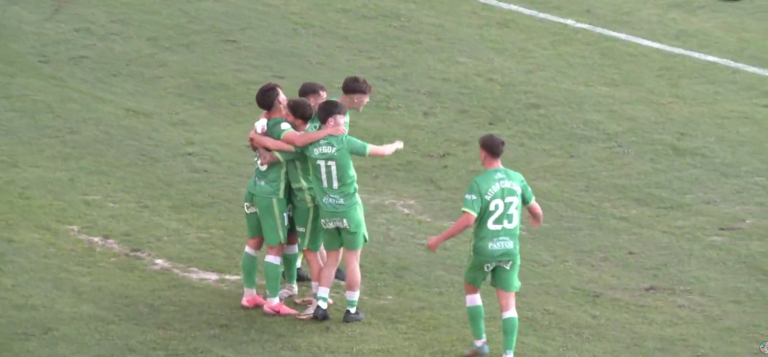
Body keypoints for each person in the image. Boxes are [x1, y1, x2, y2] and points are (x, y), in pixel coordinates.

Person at [426, 134, 544, 357]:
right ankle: (508, 354)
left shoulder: (480, 183)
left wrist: (438, 239)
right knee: (508, 302)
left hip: (484, 249)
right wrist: (536, 219)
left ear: (483, 152)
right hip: (510, 249)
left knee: (471, 286)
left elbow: (468, 220)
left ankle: (480, 343)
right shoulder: (517, 178)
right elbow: (536, 210)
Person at [241, 82, 341, 316]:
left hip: (256, 187)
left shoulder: (263, 121)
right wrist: (326, 132)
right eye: (283, 96)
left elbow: (256, 145)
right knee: (278, 247)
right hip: (274, 193)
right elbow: (297, 143)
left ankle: (251, 294)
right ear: (278, 102)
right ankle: (274, 302)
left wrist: (257, 138)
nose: (287, 98)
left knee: (256, 241)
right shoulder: (281, 126)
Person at [302, 100, 403, 323]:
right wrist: (395, 145)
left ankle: (320, 305)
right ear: (330, 121)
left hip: (327, 212)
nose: (345, 121)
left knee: (331, 260)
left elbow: (300, 139)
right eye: (341, 118)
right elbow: (380, 152)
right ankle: (351, 310)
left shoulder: (311, 145)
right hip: (349, 210)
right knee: (352, 261)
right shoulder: (344, 142)